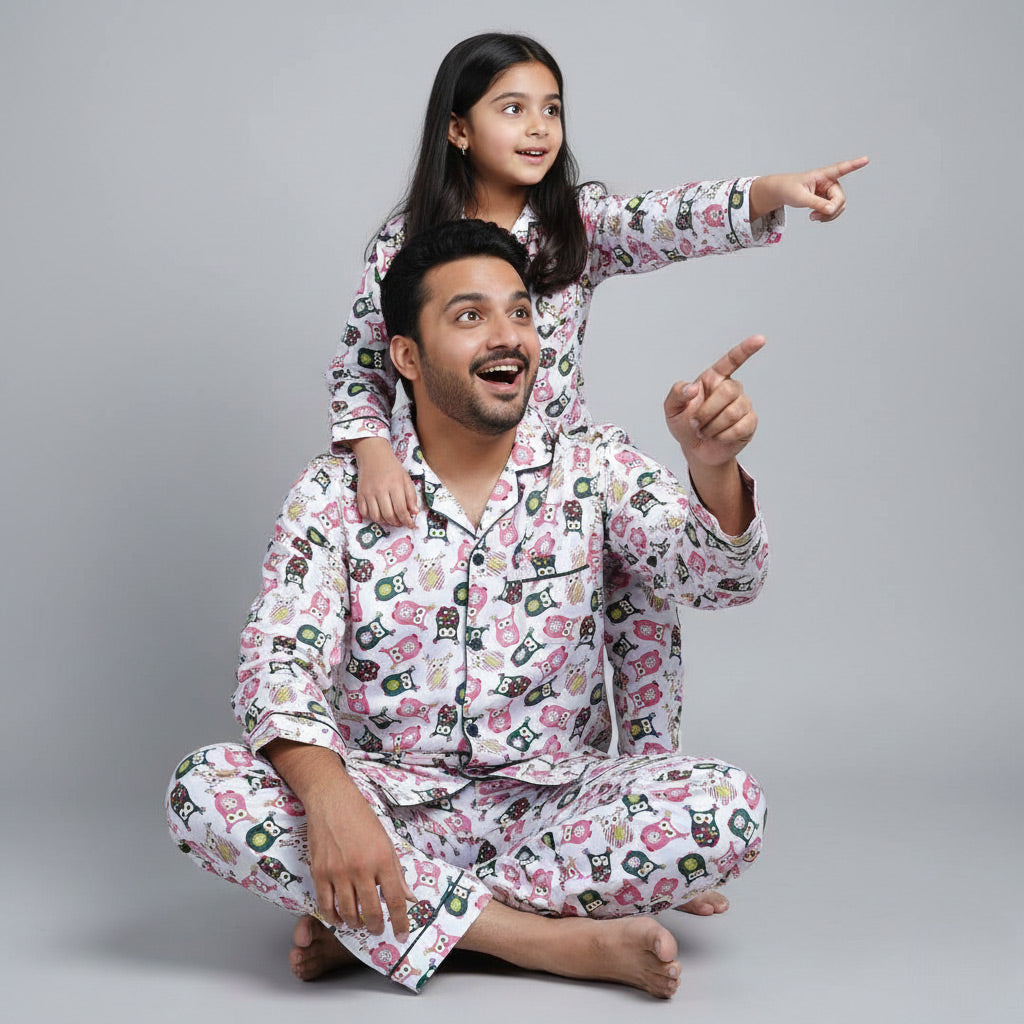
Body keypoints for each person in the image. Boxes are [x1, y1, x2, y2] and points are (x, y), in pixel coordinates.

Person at [167, 220, 771, 998]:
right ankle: (548, 944)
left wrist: (712, 469)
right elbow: (275, 666)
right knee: (202, 788)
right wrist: (331, 801)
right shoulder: (330, 495)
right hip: (381, 805)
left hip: (552, 806)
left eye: (520, 313)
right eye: (470, 316)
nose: (508, 336)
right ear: (407, 357)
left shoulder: (594, 467)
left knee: (729, 808)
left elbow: (722, 581)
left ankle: (383, 926)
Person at [328, 31, 866, 753]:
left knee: (641, 600)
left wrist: (777, 190)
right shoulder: (404, 244)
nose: (538, 127)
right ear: (457, 128)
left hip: (570, 466)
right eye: (512, 108)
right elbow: (362, 363)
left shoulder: (572, 223)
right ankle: (443, 793)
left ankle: (645, 786)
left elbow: (668, 218)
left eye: (551, 110)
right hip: (454, 474)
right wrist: (373, 454)